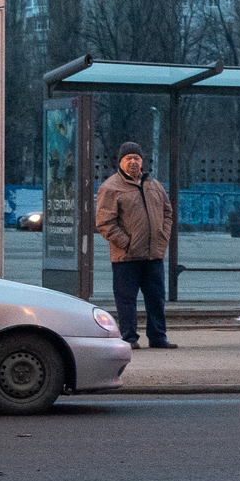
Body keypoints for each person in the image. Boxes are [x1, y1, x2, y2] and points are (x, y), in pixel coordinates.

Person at [93, 141, 175, 349]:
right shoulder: (110, 187)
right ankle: (129, 337)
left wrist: (163, 237)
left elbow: (167, 212)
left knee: (156, 299)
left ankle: (158, 337)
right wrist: (126, 243)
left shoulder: (153, 185)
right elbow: (104, 222)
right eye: (128, 158)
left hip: (153, 255)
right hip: (126, 257)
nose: (133, 162)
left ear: (142, 161)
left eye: (136, 158)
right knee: (126, 300)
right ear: (120, 162)